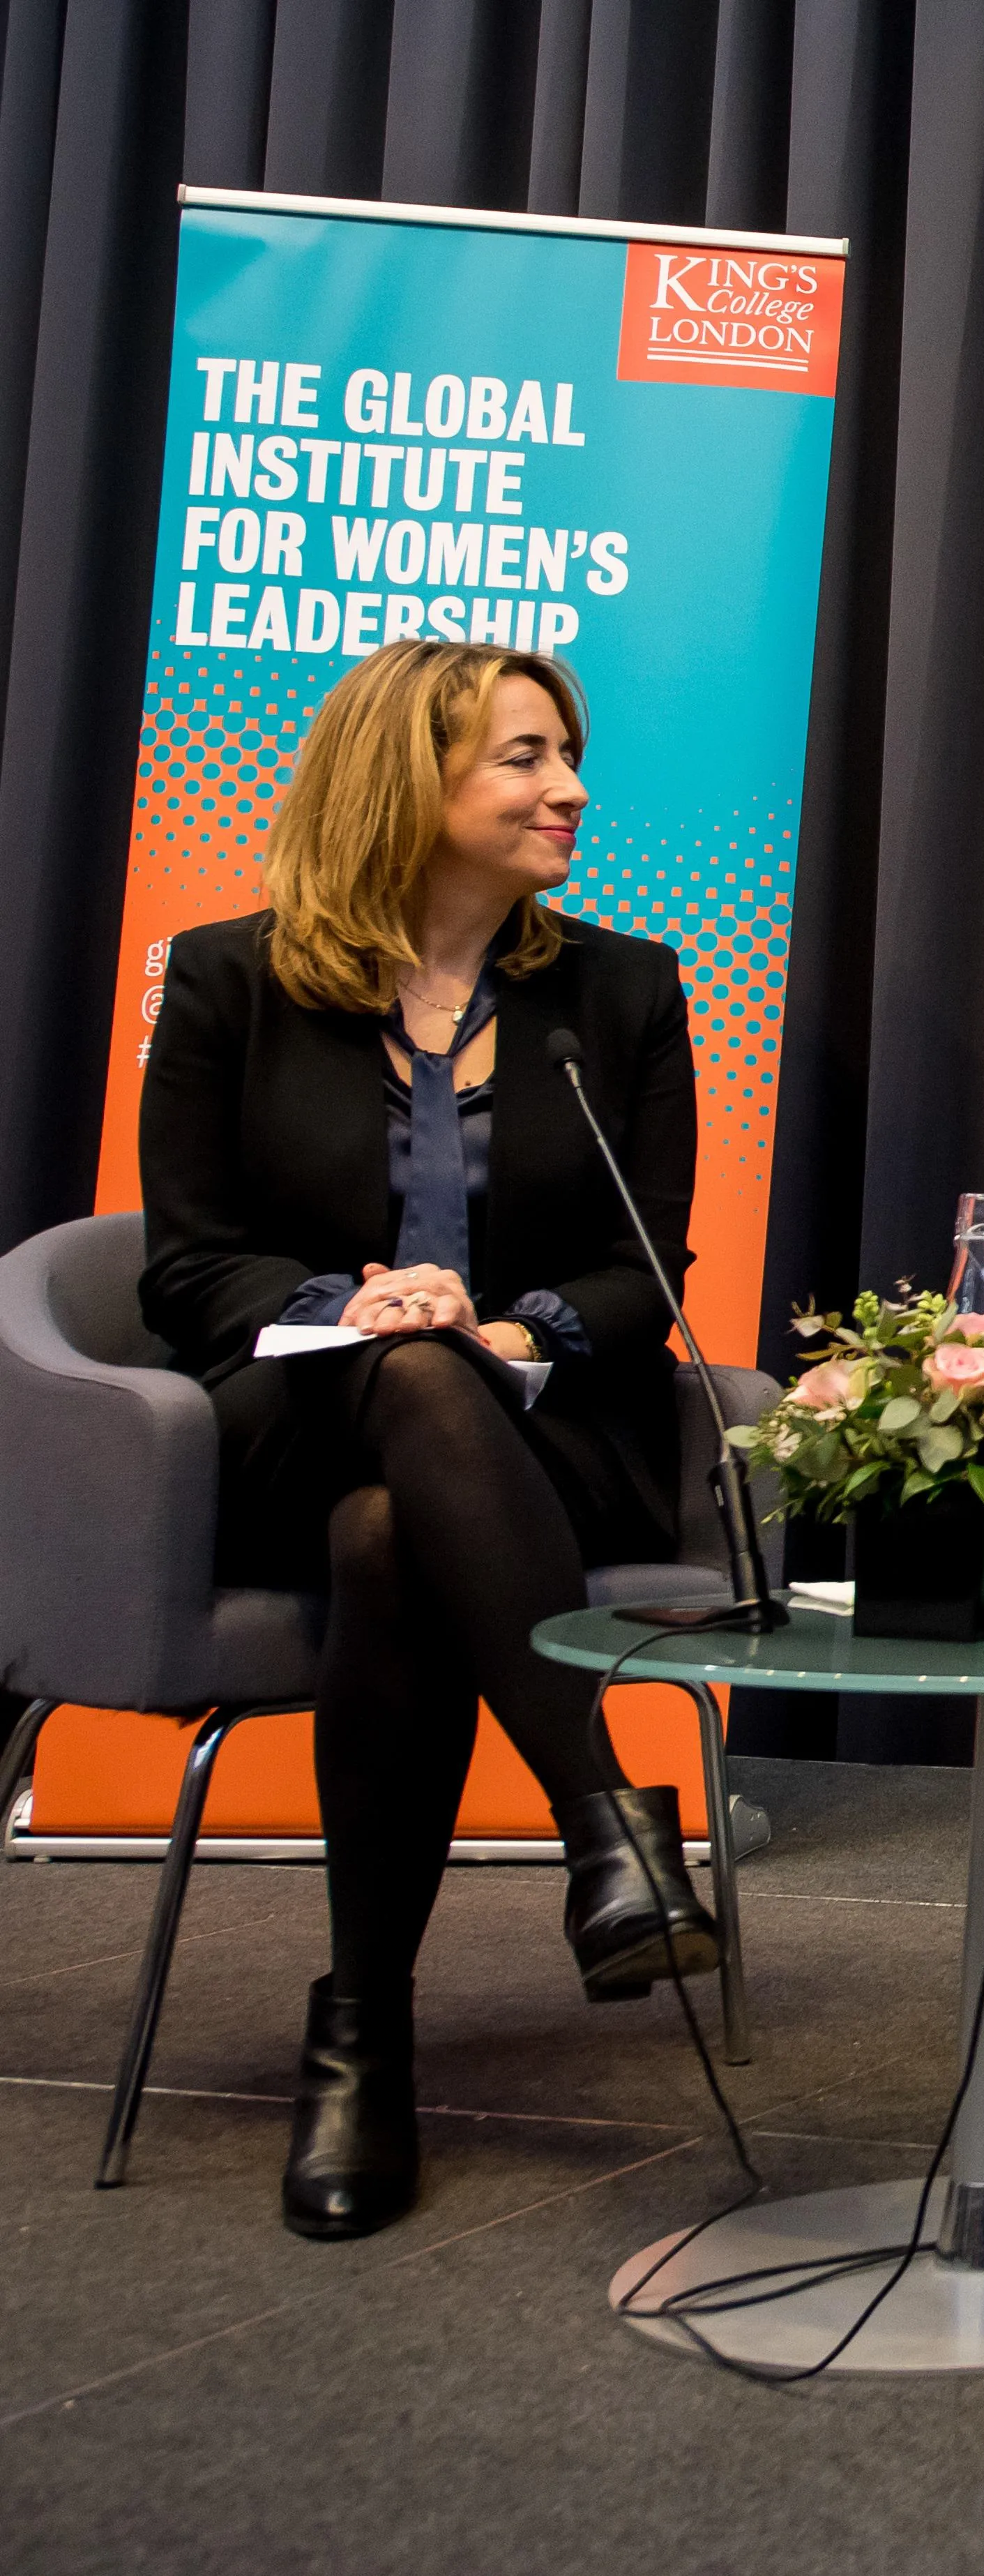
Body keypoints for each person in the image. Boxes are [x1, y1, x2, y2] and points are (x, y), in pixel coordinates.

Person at [137, 639, 721, 2243]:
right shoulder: (229, 982)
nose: (572, 790)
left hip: (539, 1432)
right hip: (290, 1415)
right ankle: (605, 1821)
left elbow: (643, 1269)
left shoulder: (619, 990)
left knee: (393, 1531)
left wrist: (504, 1330)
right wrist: (360, 1301)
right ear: (415, 778)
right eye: (528, 758)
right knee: (399, 1378)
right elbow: (184, 1267)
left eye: (569, 756)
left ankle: (363, 2040)